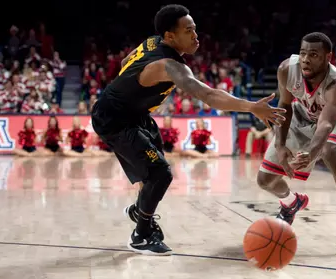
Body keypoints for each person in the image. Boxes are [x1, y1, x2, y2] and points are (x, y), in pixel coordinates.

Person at [91, 4, 285, 256]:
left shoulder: (152, 42)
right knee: (160, 174)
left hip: (132, 113)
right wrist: (251, 107)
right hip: (114, 119)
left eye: (195, 29)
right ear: (170, 37)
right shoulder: (171, 66)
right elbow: (209, 95)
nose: (196, 36)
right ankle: (141, 234)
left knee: (154, 167)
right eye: (189, 31)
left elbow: (127, 61)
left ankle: (140, 211)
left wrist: (132, 90)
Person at [257, 32, 336, 254]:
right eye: (303, 53)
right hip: (301, 113)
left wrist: (312, 152)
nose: (305, 59)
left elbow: (325, 125)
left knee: (330, 151)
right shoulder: (286, 69)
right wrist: (281, 145)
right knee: (265, 180)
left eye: (313, 54)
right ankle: (291, 203)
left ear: (327, 57)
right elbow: (284, 106)